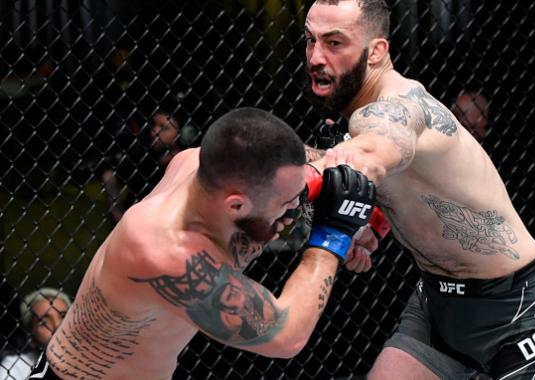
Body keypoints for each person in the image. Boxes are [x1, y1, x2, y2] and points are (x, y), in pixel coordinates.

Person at [302, 1, 535, 379]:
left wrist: (303, 181)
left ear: (377, 51)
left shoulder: (400, 105)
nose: (316, 56)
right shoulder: (355, 117)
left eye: (334, 43)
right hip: (439, 302)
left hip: (519, 312)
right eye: (310, 40)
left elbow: (378, 146)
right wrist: (373, 220)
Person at [30, 107, 378, 379]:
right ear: (237, 205)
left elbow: (289, 165)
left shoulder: (201, 163)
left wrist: (332, 164)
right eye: (287, 201)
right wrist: (333, 233)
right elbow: (287, 335)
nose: (294, 204)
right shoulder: (163, 250)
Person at [101, 111, 183, 222]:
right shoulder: (143, 157)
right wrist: (118, 215)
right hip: (133, 218)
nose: (155, 132)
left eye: (164, 128)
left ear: (179, 133)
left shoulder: (183, 164)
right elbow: (110, 176)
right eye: (154, 125)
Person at [0, 288, 71, 380]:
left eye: (64, 317)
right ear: (31, 338)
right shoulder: (16, 366)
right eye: (44, 322)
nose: (58, 327)